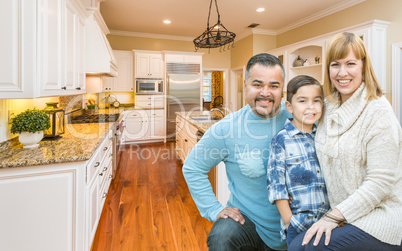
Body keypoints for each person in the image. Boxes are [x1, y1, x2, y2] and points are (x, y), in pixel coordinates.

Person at [289, 32, 402, 250]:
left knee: (311, 248)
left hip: (380, 216)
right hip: (341, 213)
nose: (342, 73)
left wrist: (333, 218)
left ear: (363, 66)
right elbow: (298, 119)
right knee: (295, 244)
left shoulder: (378, 111)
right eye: (335, 65)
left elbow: (380, 182)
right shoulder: (327, 106)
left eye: (350, 63)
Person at [182, 53, 291, 251]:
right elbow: (193, 167)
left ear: (282, 90)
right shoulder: (227, 129)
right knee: (221, 237)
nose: (265, 93)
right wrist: (213, 209)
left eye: (274, 86)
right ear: (245, 86)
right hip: (249, 223)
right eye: (257, 84)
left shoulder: (299, 116)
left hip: (297, 225)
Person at [267, 75, 330, 247]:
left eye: (316, 100)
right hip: (300, 226)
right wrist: (290, 223)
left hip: (329, 223)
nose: (311, 106)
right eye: (302, 101)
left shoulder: (325, 136)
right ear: (289, 106)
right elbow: (276, 187)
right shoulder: (281, 140)